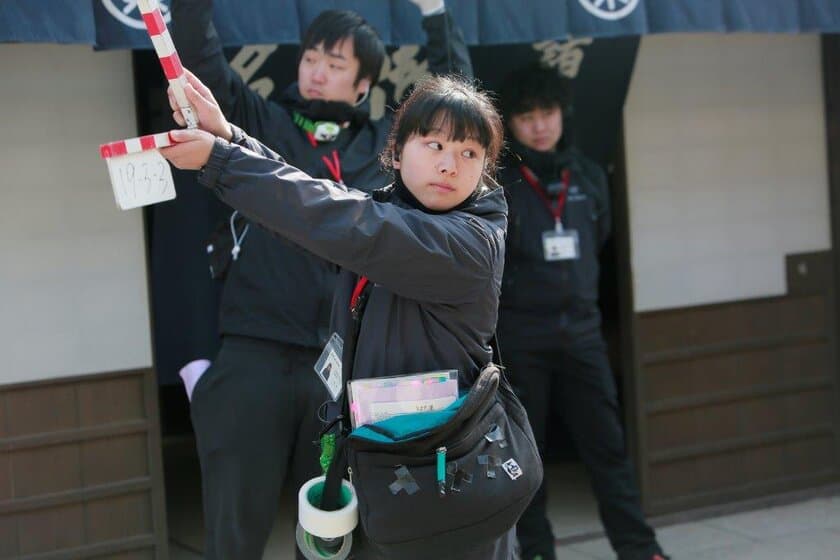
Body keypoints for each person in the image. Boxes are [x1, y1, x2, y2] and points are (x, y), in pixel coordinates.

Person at [161, 73, 510, 558]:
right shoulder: (387, 214)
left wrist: (223, 161)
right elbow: (327, 208)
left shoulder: (473, 239)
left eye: (470, 153)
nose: (450, 165)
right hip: (376, 462)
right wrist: (229, 137)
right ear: (398, 149)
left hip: (444, 480)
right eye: (434, 144)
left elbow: (346, 222)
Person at [496, 64, 669, 560]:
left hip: (584, 336)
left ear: (562, 115)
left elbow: (603, 238)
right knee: (526, 459)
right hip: (522, 339)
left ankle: (640, 548)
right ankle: (535, 551)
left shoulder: (590, 176)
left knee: (609, 450)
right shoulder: (501, 185)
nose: (539, 126)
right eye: (527, 116)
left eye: (547, 113)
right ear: (511, 123)